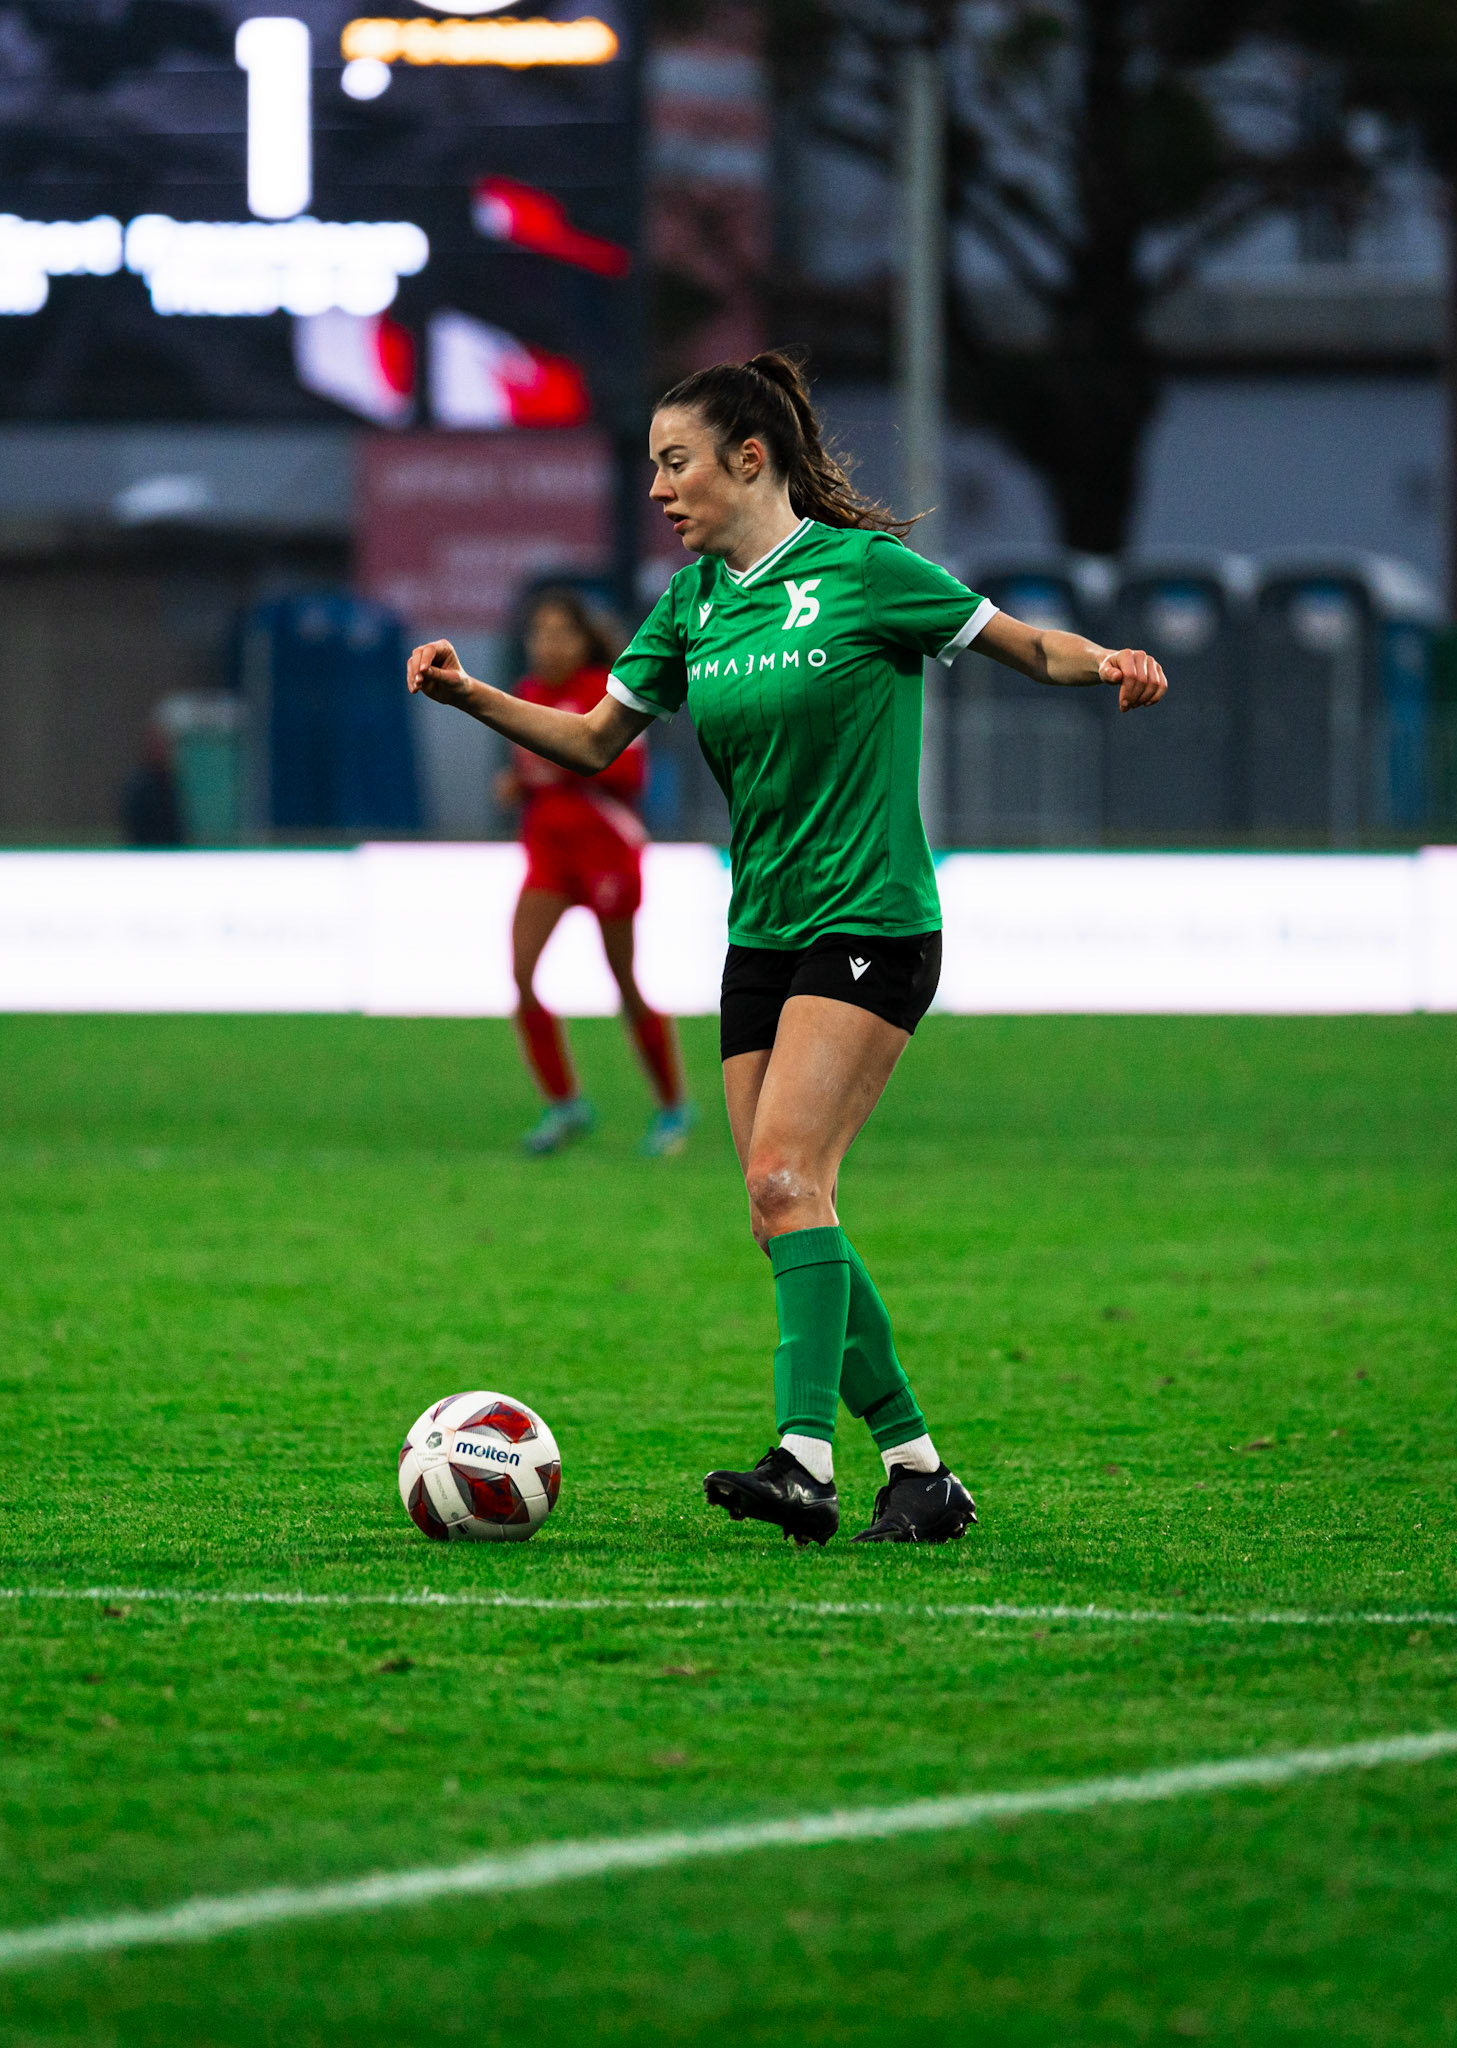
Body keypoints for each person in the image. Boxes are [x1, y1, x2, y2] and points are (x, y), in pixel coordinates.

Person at [408, 350, 1167, 1545]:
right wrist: (472, 697)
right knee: (786, 1204)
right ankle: (920, 1471)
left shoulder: (864, 572)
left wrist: (1106, 661)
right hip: (760, 934)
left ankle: (803, 1459)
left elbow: (1023, 643)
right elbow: (596, 737)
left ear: (749, 458)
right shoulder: (691, 605)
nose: (658, 488)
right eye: (654, 466)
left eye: (676, 463)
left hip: (871, 921)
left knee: (782, 1177)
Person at [497, 586, 694, 1158]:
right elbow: (533, 774)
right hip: (550, 853)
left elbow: (630, 772)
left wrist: (561, 763)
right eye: (539, 633)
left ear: (585, 641)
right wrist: (519, 784)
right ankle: (565, 1104)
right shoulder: (530, 693)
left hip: (605, 851)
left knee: (623, 982)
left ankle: (672, 1106)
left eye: (561, 633)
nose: (548, 644)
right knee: (522, 973)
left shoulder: (606, 691)